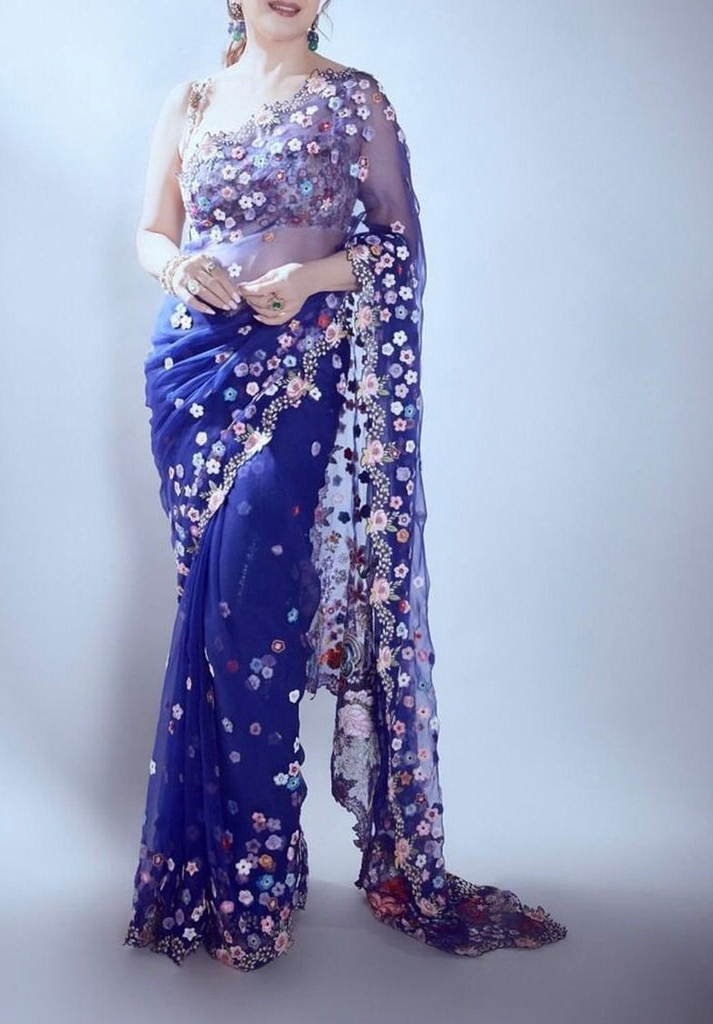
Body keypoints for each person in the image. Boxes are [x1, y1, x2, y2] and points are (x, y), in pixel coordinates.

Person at [122, 0, 568, 972]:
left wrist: (311, 278)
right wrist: (179, 268)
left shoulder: (355, 101)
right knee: (214, 615)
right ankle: (221, 875)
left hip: (298, 374)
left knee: (252, 613)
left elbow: (397, 247)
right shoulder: (190, 102)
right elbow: (152, 231)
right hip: (193, 376)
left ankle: (252, 886)